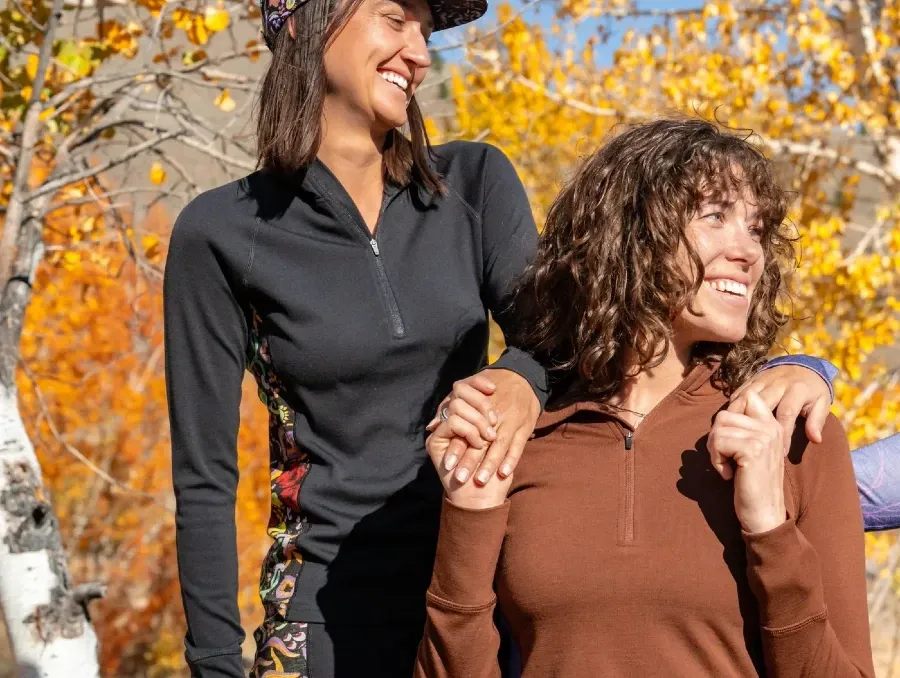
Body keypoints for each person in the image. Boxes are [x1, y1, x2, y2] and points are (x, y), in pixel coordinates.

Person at [163, 0, 841, 676]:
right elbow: (204, 479)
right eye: (394, 20)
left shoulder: (474, 184)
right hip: (325, 616)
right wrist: (215, 665)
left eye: (425, 33)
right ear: (308, 23)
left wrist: (803, 366)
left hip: (490, 588)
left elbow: (584, 336)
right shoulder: (221, 234)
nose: (419, 52)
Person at [417, 118, 874, 677]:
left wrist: (769, 530)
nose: (750, 251)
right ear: (630, 233)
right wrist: (468, 515)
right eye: (715, 217)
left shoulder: (793, 435)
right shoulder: (518, 439)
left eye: (756, 228)